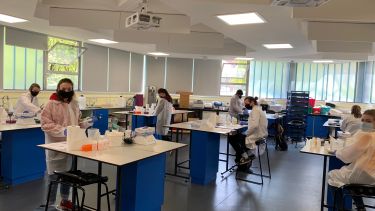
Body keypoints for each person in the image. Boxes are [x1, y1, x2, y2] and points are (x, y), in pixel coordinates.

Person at [40, 78, 81, 210]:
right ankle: (50, 204)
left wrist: (86, 123)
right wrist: (63, 131)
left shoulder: (74, 104)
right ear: (58, 88)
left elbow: (77, 123)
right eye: (63, 89)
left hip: (71, 146)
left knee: (68, 175)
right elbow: (45, 124)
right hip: (55, 145)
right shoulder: (51, 104)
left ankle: (64, 200)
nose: (66, 91)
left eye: (69, 89)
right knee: (53, 176)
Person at [328, 109, 375, 211]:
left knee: (332, 176)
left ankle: (340, 209)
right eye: (362, 120)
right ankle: (360, 208)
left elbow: (347, 156)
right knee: (351, 180)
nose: (364, 123)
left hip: (366, 176)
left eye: (368, 121)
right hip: (372, 177)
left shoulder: (367, 135)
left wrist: (337, 152)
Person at [228, 96, 268, 167]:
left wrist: (246, 133)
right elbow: (256, 123)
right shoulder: (259, 109)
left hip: (256, 136)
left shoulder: (255, 110)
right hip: (262, 135)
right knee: (239, 138)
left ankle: (245, 157)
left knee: (232, 138)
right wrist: (246, 123)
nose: (245, 105)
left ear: (252, 102)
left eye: (246, 103)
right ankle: (243, 159)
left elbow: (254, 126)